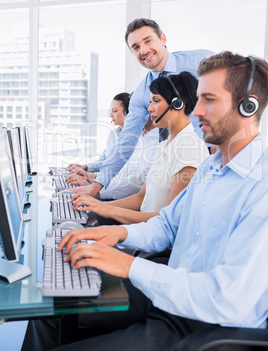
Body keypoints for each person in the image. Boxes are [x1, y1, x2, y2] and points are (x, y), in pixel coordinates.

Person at [22, 51, 268, 351]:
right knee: (50, 305)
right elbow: (167, 225)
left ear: (248, 105)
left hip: (200, 327)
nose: (197, 110)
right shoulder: (212, 167)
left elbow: (227, 299)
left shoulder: (261, 187)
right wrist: (113, 233)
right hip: (167, 294)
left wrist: (128, 265)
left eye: (209, 99)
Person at [76, 18, 214, 197]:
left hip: (216, 151)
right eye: (135, 47)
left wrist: (223, 138)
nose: (144, 50)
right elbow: (127, 139)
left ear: (163, 39)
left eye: (148, 41)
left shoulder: (200, 61)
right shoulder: (142, 93)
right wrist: (97, 185)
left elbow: (236, 92)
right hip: (176, 162)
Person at [72, 72, 209, 225]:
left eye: (156, 101)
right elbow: (142, 197)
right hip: (145, 233)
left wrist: (107, 210)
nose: (150, 108)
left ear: (178, 103)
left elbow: (170, 221)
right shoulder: (164, 145)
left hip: (158, 243)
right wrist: (99, 206)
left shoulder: (189, 149)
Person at [66, 92, 130, 187]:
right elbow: (104, 161)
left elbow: (121, 171)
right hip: (103, 184)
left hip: (114, 189)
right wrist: (85, 167)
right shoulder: (113, 134)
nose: (111, 115)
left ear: (127, 112)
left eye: (115, 111)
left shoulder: (133, 140)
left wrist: (93, 176)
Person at [99, 116, 159, 201]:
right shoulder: (140, 138)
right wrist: (96, 183)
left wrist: (98, 190)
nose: (132, 115)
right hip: (122, 195)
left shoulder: (160, 141)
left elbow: (139, 181)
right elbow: (123, 173)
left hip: (131, 200)